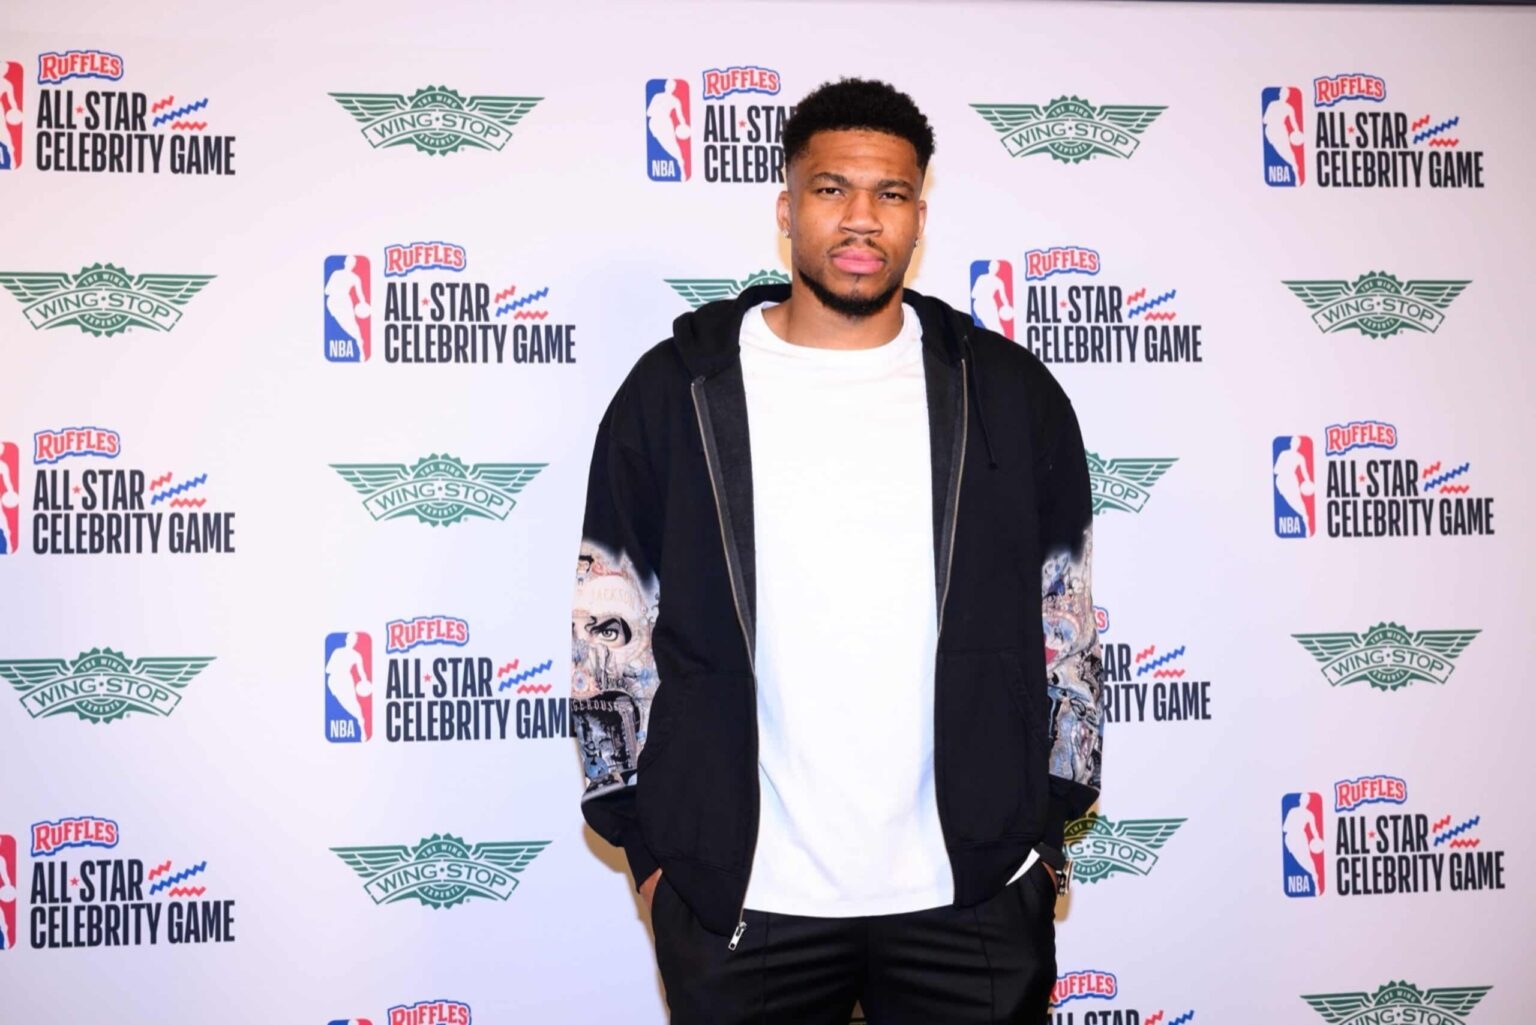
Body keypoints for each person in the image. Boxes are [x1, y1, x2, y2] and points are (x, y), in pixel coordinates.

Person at [571, 78, 1104, 1024]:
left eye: (890, 195)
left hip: (969, 889)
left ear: (918, 217)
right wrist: (649, 848)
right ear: (787, 208)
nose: (862, 219)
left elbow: (1064, 613)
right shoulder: (679, 393)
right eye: (832, 190)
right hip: (746, 899)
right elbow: (605, 619)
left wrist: (1045, 821)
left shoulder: (1009, 396)